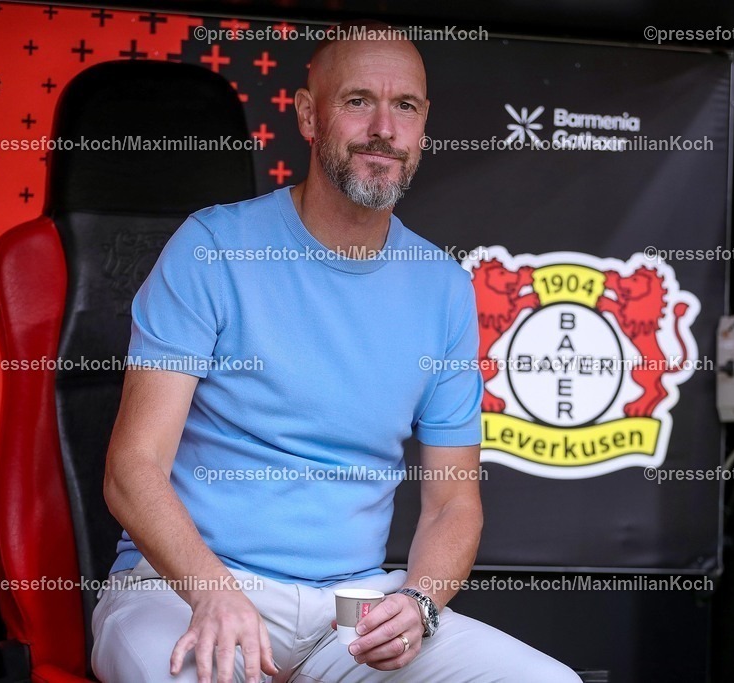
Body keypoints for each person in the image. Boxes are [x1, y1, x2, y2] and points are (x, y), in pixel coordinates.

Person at [91, 20, 582, 683]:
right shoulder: (213, 246)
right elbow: (132, 467)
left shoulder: (441, 287)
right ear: (308, 115)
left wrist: (419, 602)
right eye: (358, 101)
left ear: (423, 127)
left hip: (352, 607)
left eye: (404, 106)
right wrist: (212, 590)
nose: (383, 127)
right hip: (184, 588)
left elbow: (451, 504)